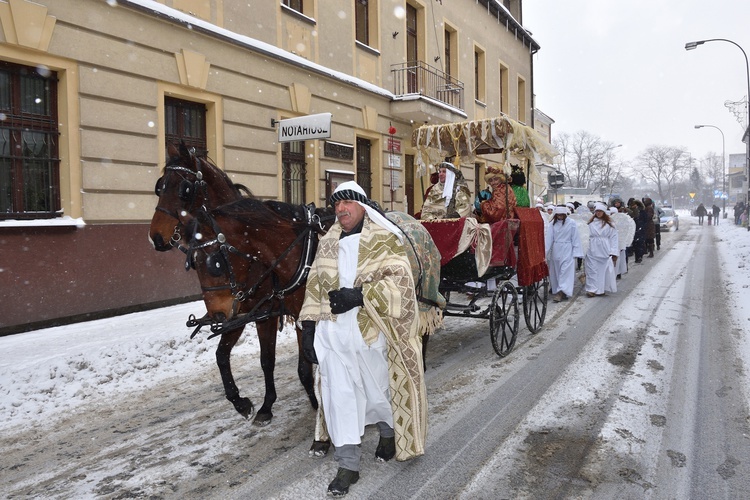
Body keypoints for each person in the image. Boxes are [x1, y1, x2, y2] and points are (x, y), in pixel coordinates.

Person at [298, 181, 427, 497]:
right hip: (333, 338)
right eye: (336, 205)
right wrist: (310, 328)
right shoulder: (328, 241)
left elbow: (402, 286)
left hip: (372, 335)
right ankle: (348, 466)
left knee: (378, 393)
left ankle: (387, 432)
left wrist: (359, 295)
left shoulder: (383, 239)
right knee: (339, 398)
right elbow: (315, 285)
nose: (340, 210)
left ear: (362, 206)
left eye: (347, 204)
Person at [545, 205, 584, 302]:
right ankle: (562, 290)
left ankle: (561, 292)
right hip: (556, 250)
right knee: (557, 272)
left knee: (565, 271)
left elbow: (575, 238)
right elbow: (549, 239)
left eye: (562, 214)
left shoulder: (571, 223)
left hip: (567, 249)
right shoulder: (552, 224)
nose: (560, 216)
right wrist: (545, 252)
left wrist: (576, 252)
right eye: (558, 214)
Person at [584, 202, 619, 297]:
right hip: (592, 248)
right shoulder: (590, 223)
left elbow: (614, 238)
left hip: (604, 249)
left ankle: (600, 288)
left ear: (604, 212)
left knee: (602, 270)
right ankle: (591, 289)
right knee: (591, 269)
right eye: (597, 211)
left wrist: (614, 252)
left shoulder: (610, 224)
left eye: (600, 211)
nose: (598, 213)